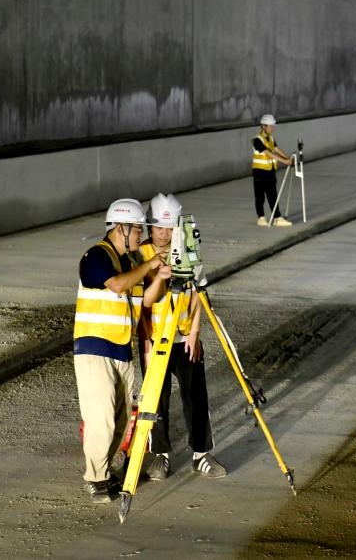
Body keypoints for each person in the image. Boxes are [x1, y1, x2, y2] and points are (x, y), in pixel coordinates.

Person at [74, 198, 171, 502]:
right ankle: (95, 480)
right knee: (100, 416)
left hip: (121, 350)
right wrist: (149, 265)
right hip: (94, 348)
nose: (141, 235)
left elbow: (146, 300)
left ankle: (103, 472)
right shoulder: (95, 257)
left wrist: (162, 277)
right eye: (137, 229)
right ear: (120, 227)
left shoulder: (130, 263)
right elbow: (116, 286)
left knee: (119, 421)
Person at [138, 193, 227, 480]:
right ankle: (160, 455)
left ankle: (201, 453)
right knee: (156, 399)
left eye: (168, 228)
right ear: (150, 227)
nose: (163, 234)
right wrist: (146, 342)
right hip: (155, 339)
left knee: (196, 396)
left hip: (185, 337)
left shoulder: (188, 249)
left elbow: (200, 292)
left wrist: (195, 333)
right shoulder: (140, 256)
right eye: (158, 228)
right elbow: (138, 306)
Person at [252, 113, 294, 227]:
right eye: (270, 126)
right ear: (263, 126)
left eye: (273, 126)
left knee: (273, 195)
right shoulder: (257, 140)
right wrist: (284, 161)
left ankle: (277, 218)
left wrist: (288, 158)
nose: (272, 128)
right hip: (259, 172)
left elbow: (276, 149)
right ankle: (261, 217)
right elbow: (269, 153)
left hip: (270, 171)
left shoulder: (271, 138)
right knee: (260, 196)